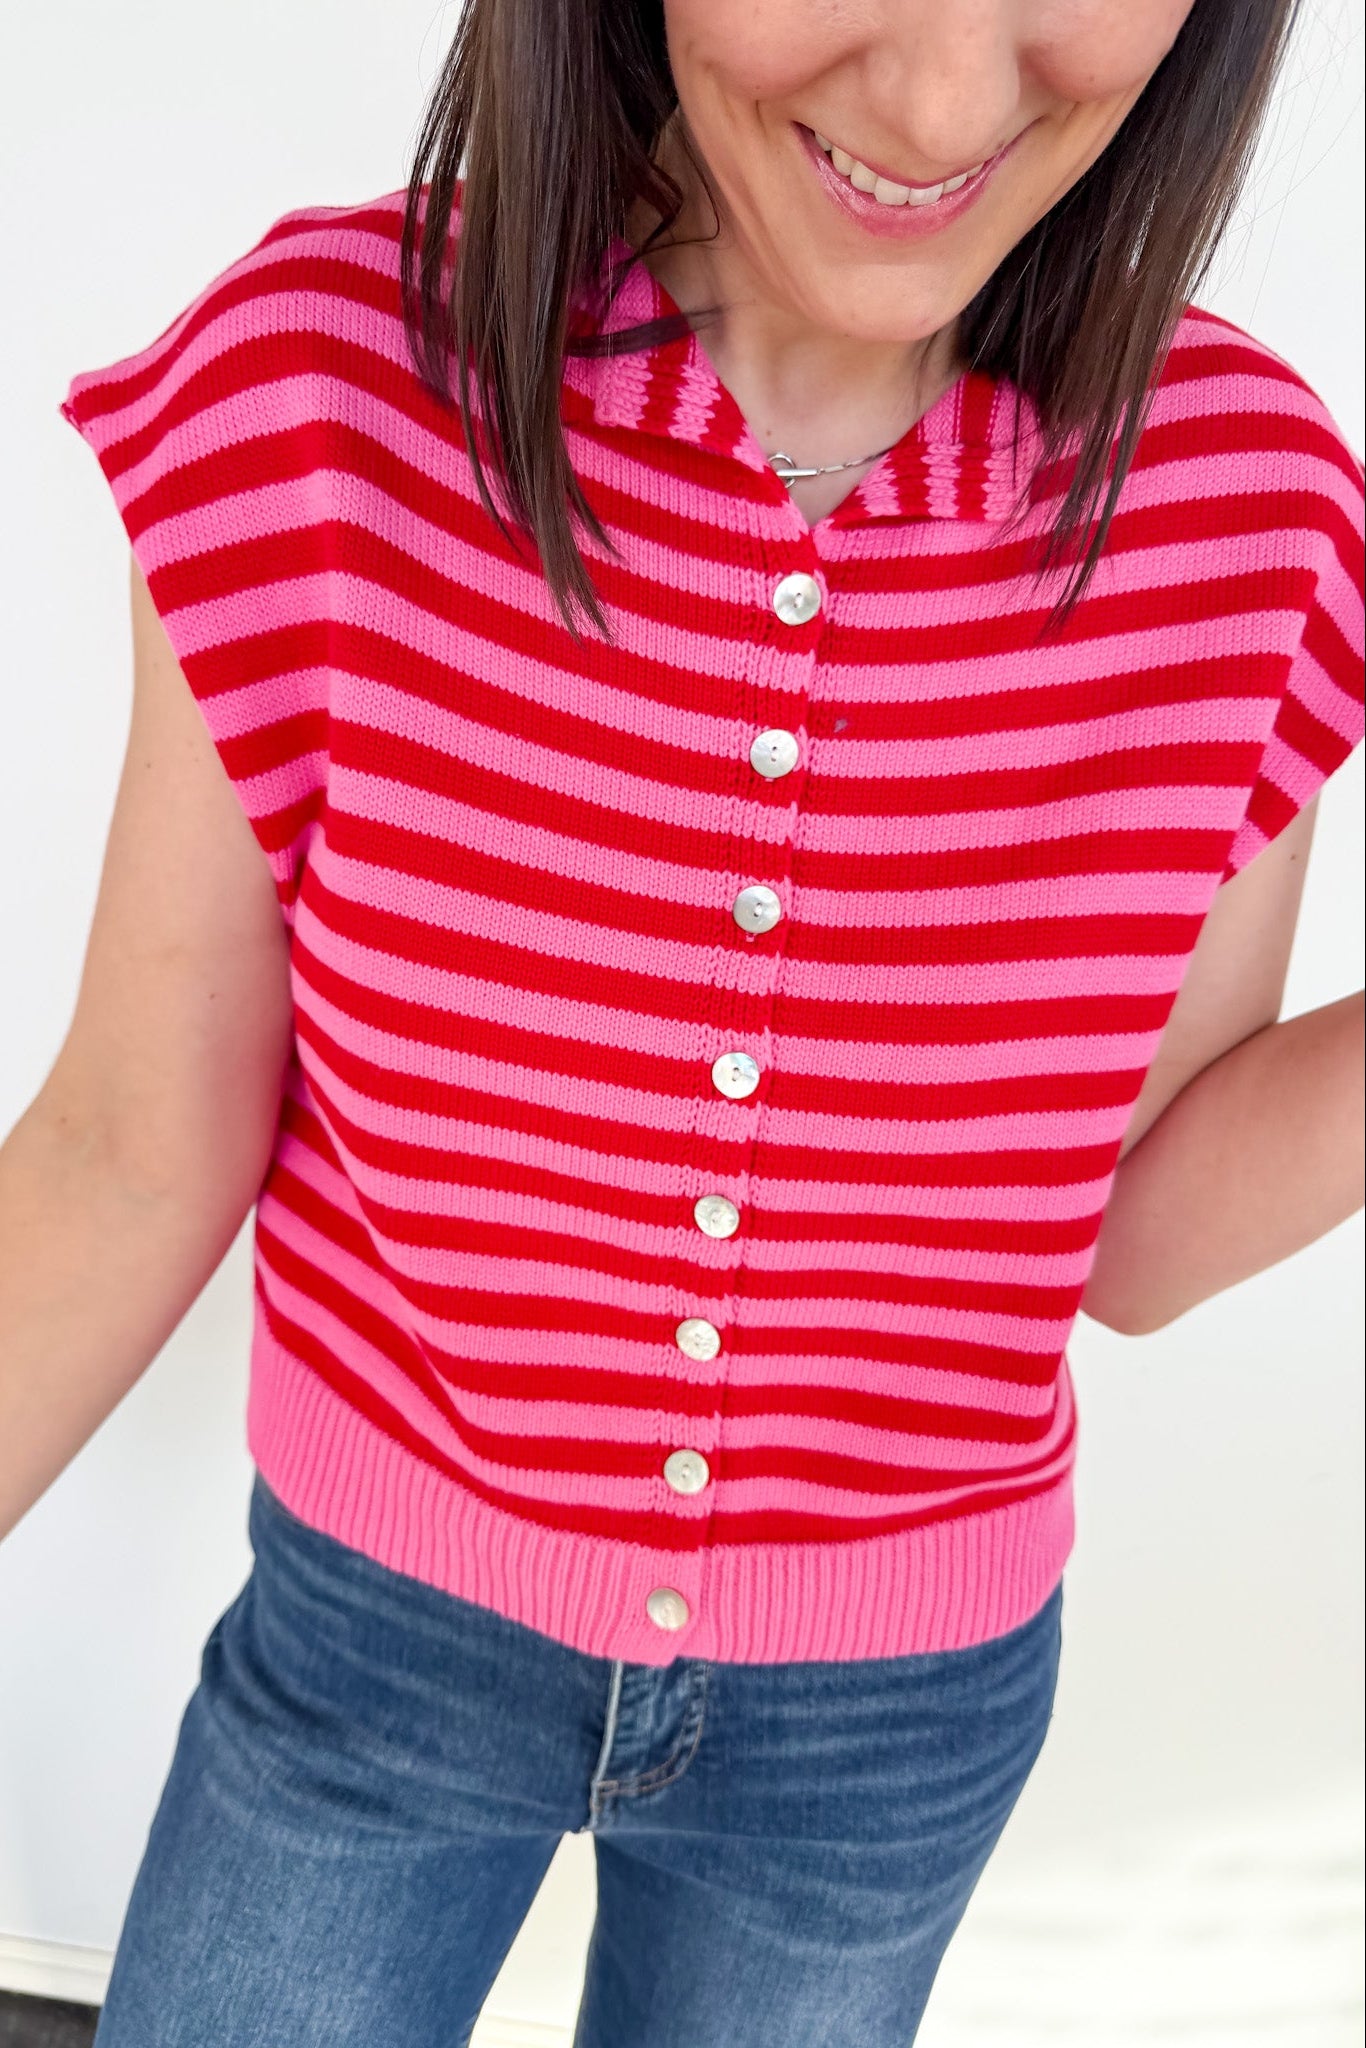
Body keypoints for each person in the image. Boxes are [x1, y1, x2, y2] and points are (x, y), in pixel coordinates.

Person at [4, 0, 1363, 2041]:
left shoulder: (1241, 515)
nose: (932, 101)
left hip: (885, 1729)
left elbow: (1125, 1237)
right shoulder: (326, 391)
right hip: (378, 1641)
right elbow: (129, 1144)